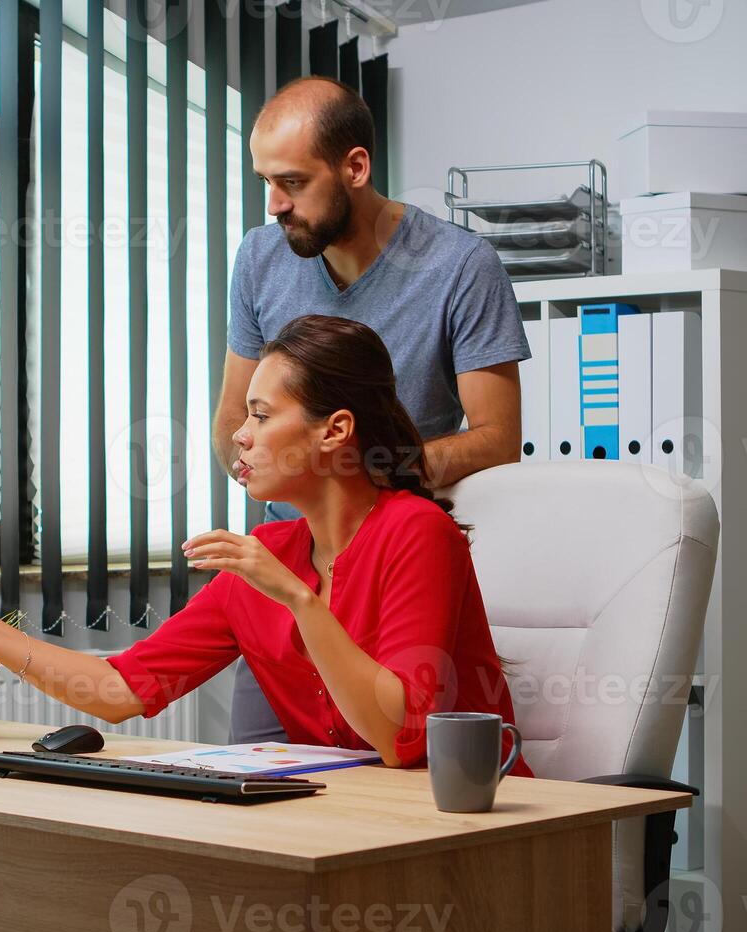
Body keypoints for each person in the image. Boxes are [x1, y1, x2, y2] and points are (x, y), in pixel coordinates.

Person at [0, 315, 530, 774]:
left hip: (475, 831)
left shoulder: (417, 534)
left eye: (263, 415)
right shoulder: (266, 556)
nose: (239, 436)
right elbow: (120, 690)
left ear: (336, 431)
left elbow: (398, 737)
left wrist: (301, 602)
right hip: (359, 823)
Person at [216, 76, 530, 741]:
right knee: (257, 807)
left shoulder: (460, 266)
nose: (274, 205)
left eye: (294, 183)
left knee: (386, 788)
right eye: (264, 181)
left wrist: (356, 481)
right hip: (289, 579)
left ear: (355, 166)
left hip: (395, 576)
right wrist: (296, 490)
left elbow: (499, 439)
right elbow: (229, 430)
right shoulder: (259, 258)